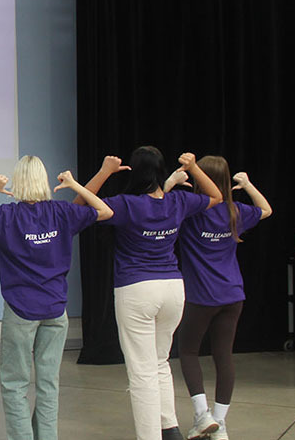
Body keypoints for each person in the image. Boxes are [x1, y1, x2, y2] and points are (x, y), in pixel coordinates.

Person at [0, 157, 113, 440]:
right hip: (55, 309)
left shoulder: (5, 216)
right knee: (48, 384)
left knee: (15, 384)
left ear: (18, 182)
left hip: (21, 310)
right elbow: (104, 211)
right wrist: (75, 184)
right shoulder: (62, 212)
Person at [77, 148, 222, 440]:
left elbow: (79, 205)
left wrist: (105, 171)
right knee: (159, 362)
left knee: (142, 372)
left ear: (136, 172)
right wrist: (193, 168)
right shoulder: (178, 201)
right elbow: (217, 196)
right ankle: (170, 431)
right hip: (172, 289)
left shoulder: (125, 204)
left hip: (137, 290)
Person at [170, 157, 272, 440]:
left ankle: (202, 416)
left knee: (188, 351)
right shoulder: (235, 211)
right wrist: (248, 185)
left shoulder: (190, 212)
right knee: (223, 355)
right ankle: (220, 424)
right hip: (232, 295)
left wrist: (173, 181)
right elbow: (266, 209)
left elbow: (157, 205)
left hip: (201, 296)